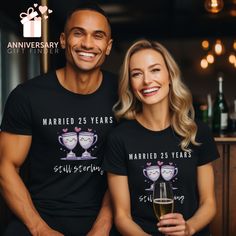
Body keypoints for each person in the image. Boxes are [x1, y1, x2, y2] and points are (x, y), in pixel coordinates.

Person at [0, 2, 120, 236]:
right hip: (40, 214)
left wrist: (103, 226)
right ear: (63, 40)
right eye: (78, 33)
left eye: (98, 36)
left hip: (105, 215)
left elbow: (125, 168)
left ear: (108, 46)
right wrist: (39, 228)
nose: (87, 43)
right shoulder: (27, 96)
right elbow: (6, 167)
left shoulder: (123, 94)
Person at [102, 39, 219, 236]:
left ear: (170, 76)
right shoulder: (119, 138)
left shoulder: (197, 131)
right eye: (137, 74)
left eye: (155, 70)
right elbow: (122, 216)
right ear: (130, 83)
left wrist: (189, 227)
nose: (147, 80)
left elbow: (209, 204)